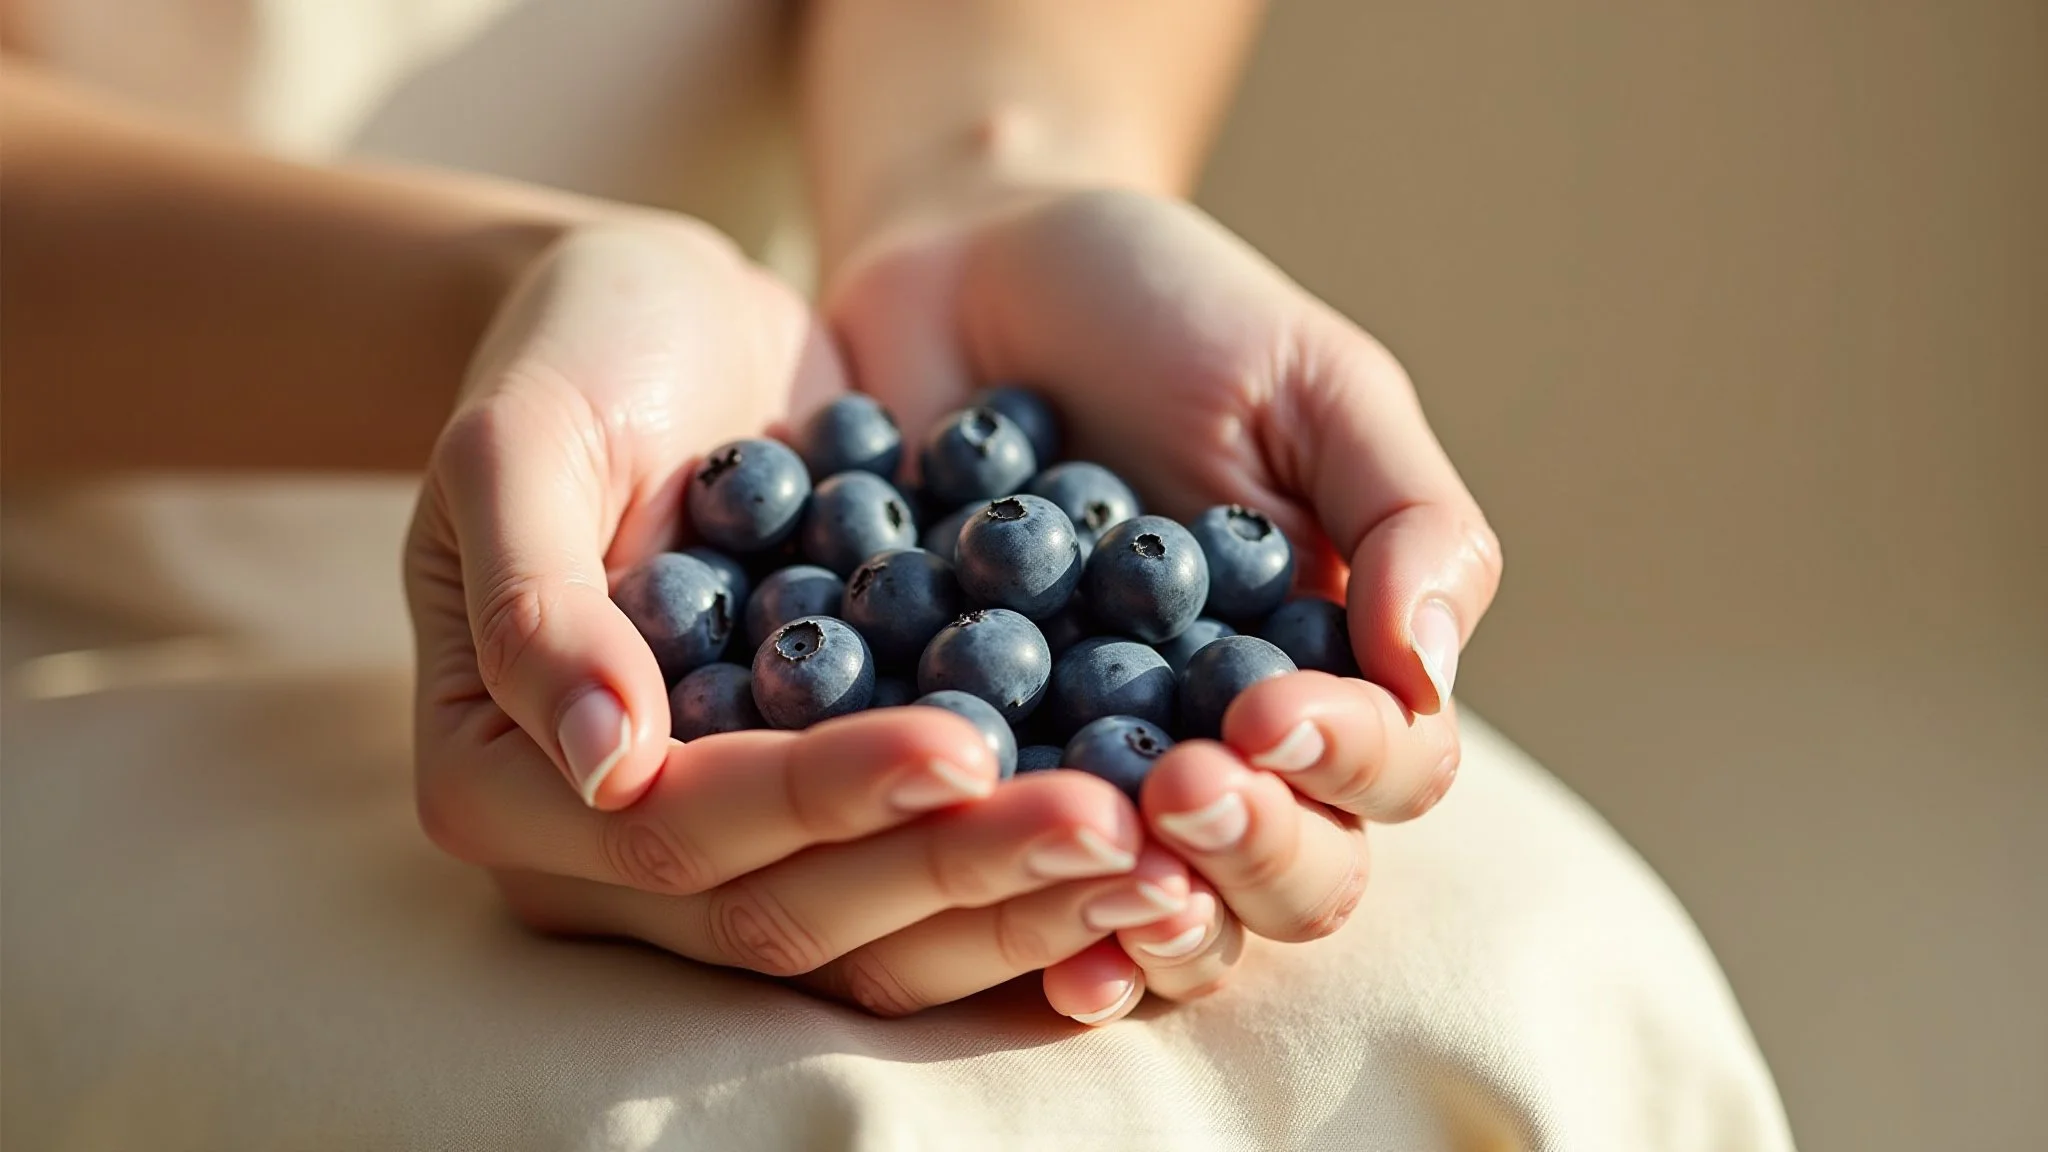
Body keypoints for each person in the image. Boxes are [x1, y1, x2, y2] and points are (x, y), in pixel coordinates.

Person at [0, 2, 1795, 1147]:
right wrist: (491, 305)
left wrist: (992, 180)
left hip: (757, 411)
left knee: (1536, 992)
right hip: (85, 617)